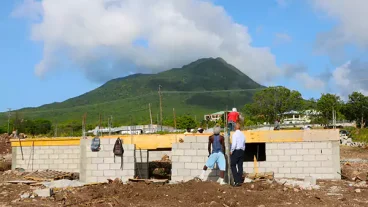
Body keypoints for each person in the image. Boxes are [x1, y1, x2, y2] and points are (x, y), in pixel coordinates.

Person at [230, 123, 246, 187]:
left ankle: (236, 181)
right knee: (240, 166)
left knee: (233, 165)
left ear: (235, 128)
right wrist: (243, 150)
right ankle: (239, 181)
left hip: (236, 151)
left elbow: (234, 144)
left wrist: (231, 151)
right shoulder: (243, 135)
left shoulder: (234, 134)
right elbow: (244, 144)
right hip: (242, 151)